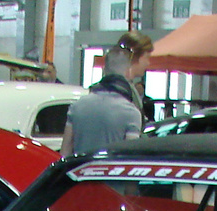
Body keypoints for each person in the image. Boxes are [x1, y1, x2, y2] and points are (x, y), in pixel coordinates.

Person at [60, 30, 154, 158]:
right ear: (134, 59)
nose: (148, 63)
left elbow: (65, 153)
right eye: (147, 57)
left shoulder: (77, 106)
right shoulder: (130, 107)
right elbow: (129, 157)